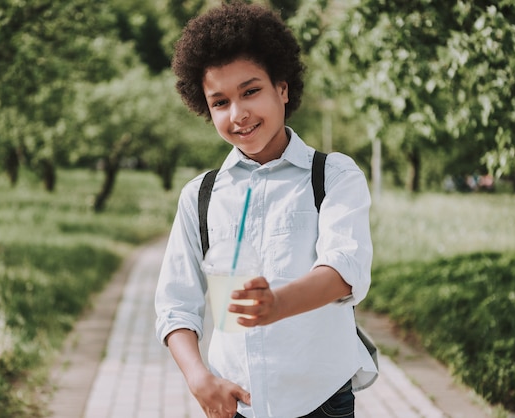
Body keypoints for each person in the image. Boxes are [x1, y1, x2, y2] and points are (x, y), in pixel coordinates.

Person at [154, 3, 376, 417]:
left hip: (321, 401)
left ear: (283, 88)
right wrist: (199, 379)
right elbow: (175, 305)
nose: (238, 114)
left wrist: (276, 303)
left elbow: (344, 269)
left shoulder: (333, 176)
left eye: (250, 91)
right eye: (219, 102)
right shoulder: (199, 196)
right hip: (236, 403)